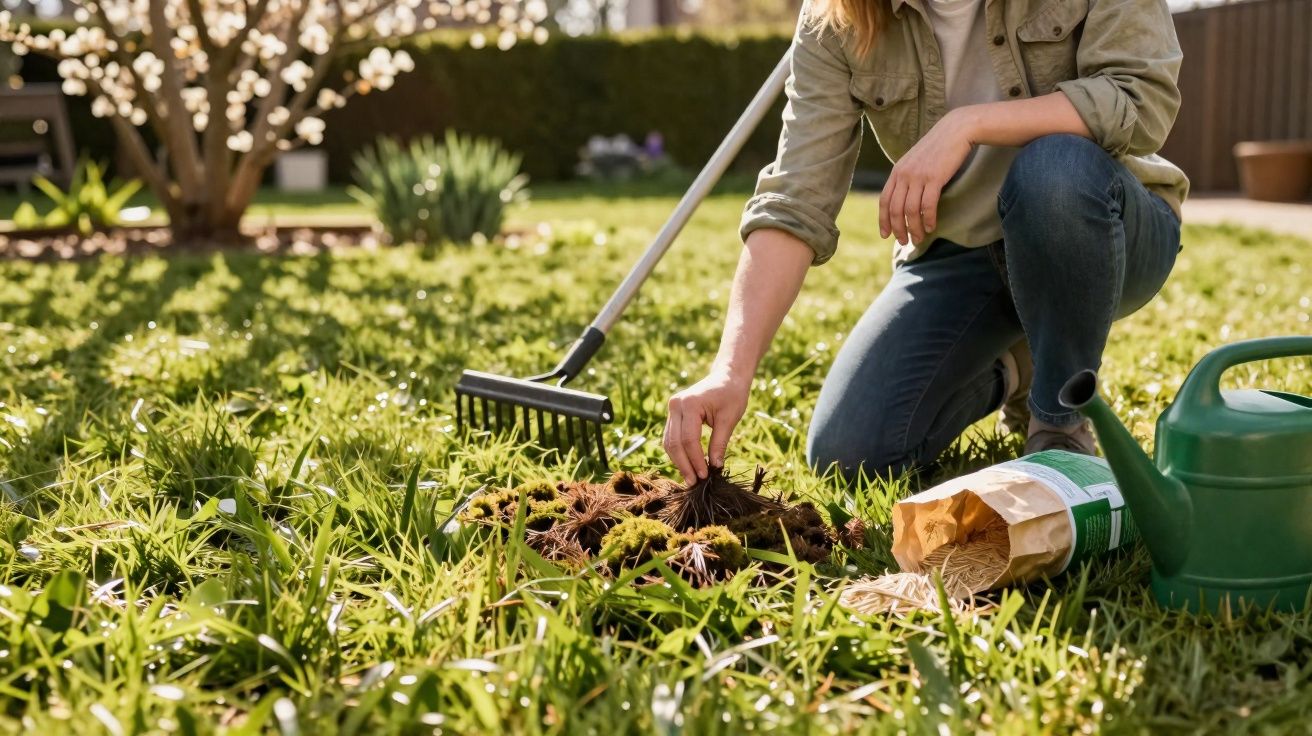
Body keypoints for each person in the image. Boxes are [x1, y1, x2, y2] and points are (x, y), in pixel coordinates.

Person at [663, 0, 1187, 483]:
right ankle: (1018, 368)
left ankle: (1058, 420)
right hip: (960, 252)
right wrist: (730, 371)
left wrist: (970, 124)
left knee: (1055, 169)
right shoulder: (838, 17)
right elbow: (795, 200)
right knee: (849, 454)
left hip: (1103, 226)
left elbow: (1141, 98)